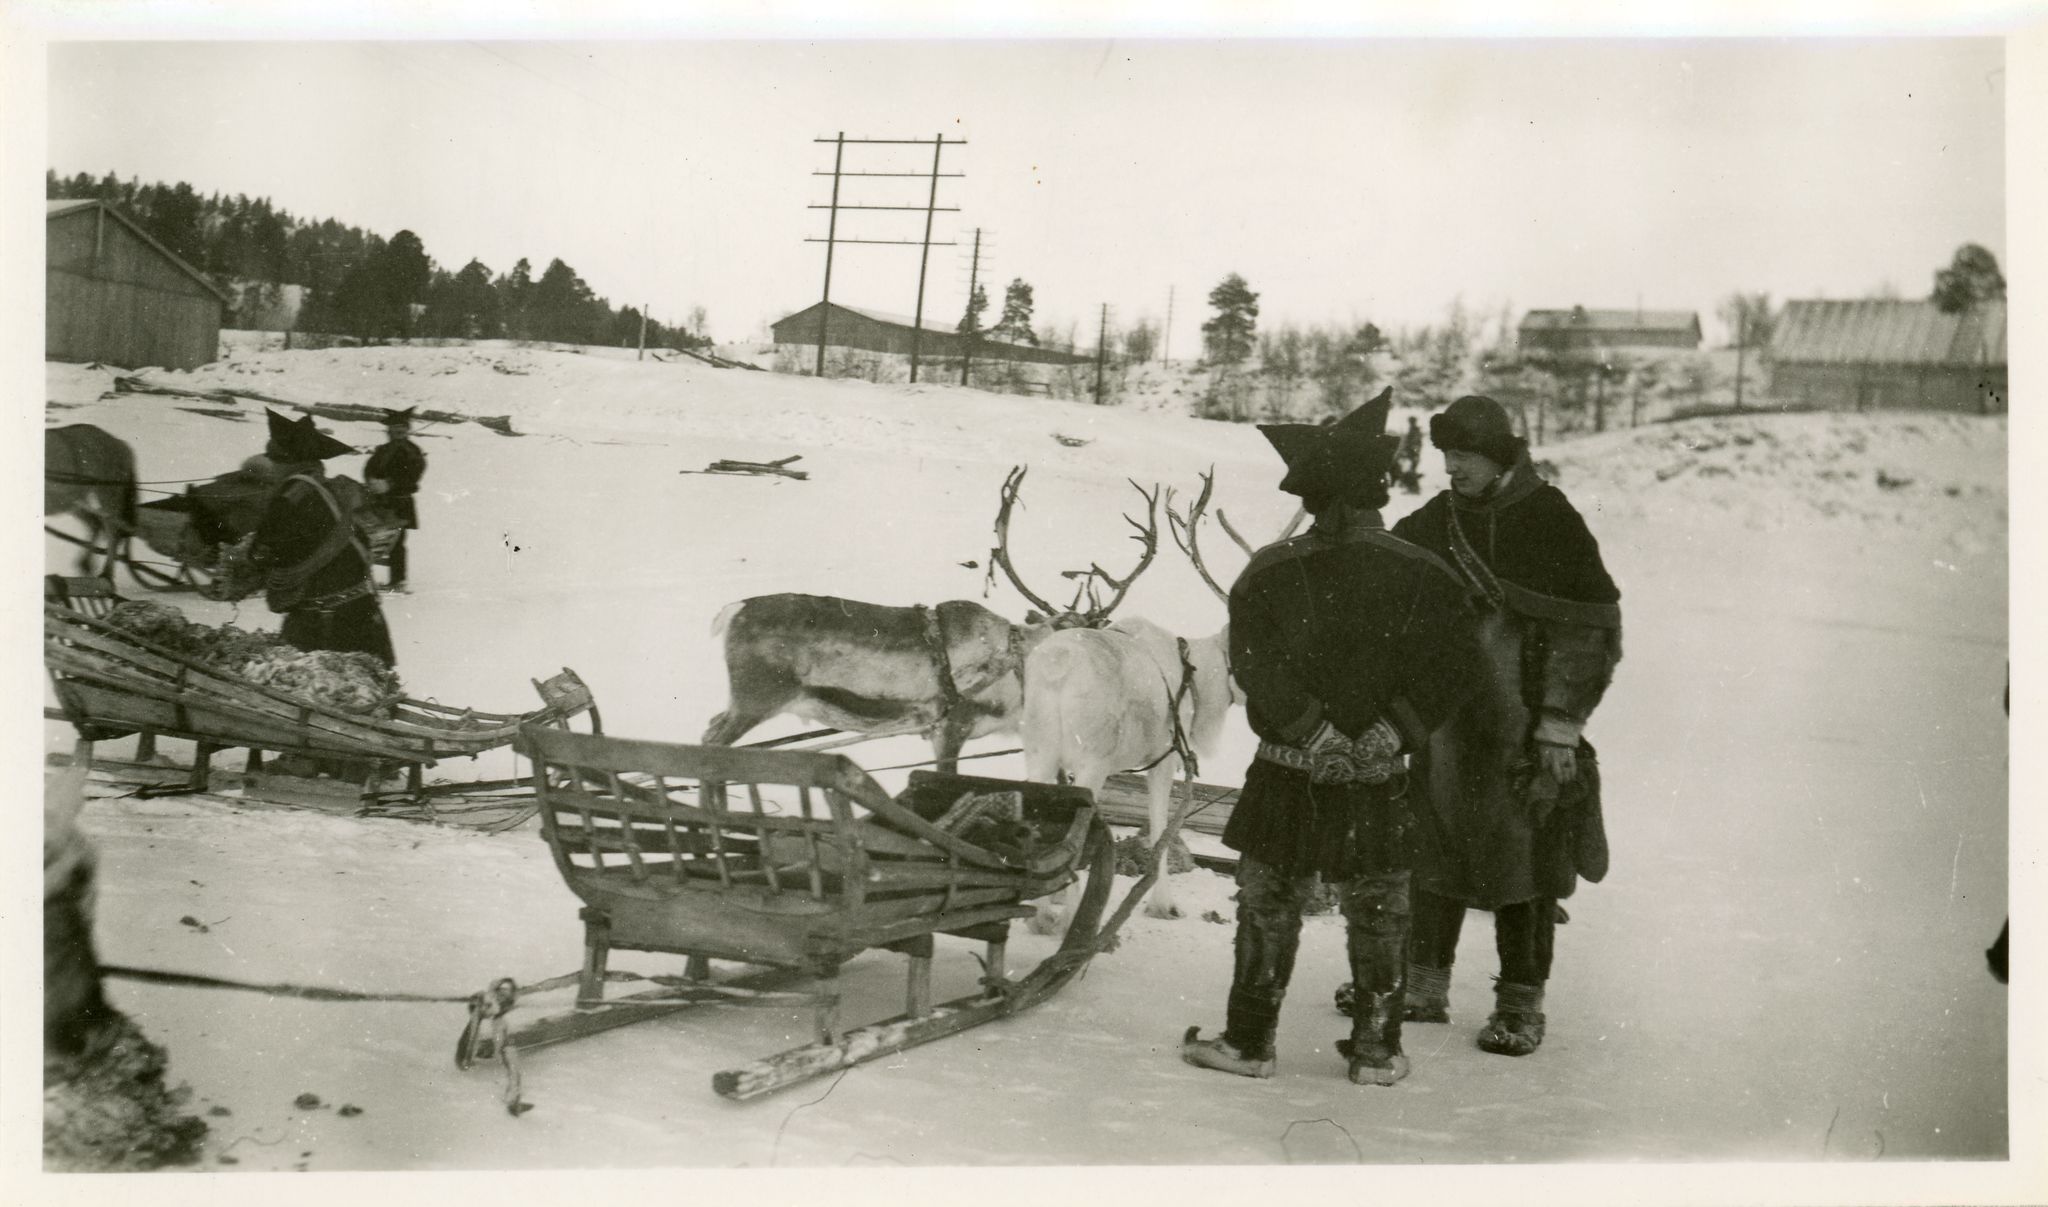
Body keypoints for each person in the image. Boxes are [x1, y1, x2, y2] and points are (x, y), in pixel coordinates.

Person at [1182, 388, 1489, 1086]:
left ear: (1315, 496)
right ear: (1375, 491)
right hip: (1381, 774)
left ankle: (1250, 1042)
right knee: (1381, 905)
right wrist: (1389, 732)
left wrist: (1314, 732)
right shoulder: (1427, 575)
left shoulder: (1269, 570)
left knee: (1269, 898)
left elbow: (1254, 663)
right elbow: (1455, 666)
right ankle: (1378, 1051)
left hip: (1292, 768)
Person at [1334, 393, 1621, 1058]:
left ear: (1497, 457)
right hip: (1448, 725)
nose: (1452, 468)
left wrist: (1558, 723)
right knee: (1433, 852)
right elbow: (1386, 556)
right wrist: (1343, 528)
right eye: (1446, 457)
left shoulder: (1550, 518)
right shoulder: (1443, 516)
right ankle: (1425, 988)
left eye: (1463, 456)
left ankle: (1521, 1006)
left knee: (1525, 865)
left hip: (1523, 729)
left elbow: (1589, 628)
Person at [247, 409, 396, 666]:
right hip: (366, 615)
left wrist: (241, 556)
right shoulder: (335, 489)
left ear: (281, 461)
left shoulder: (288, 499)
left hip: (324, 628)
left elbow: (261, 555)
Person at [363, 407, 427, 592]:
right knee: (373, 538)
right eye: (394, 429)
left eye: (402, 429)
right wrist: (371, 481)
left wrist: (390, 484)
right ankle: (366, 578)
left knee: (397, 542)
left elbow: (413, 474)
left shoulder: (413, 452)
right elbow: (369, 468)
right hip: (379, 501)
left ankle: (398, 581)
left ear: (407, 430)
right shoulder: (382, 450)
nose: (398, 432)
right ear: (388, 431)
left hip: (400, 502)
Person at [1393, 416, 1424, 493]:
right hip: (1411, 454)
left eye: (1411, 422)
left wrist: (1414, 453)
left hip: (1412, 454)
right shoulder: (1413, 430)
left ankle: (1414, 489)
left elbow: (1416, 444)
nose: (1410, 423)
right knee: (1408, 470)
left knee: (1410, 471)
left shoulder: (1415, 431)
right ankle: (1411, 487)